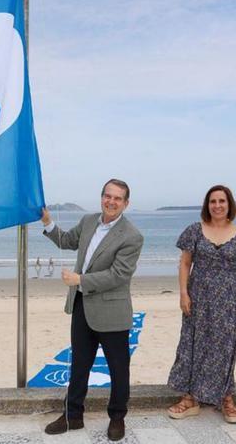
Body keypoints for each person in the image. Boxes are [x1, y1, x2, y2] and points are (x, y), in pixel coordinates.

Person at [40, 179, 144, 442]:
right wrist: (47, 222)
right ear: (101, 198)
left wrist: (80, 281)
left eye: (117, 198)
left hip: (112, 313)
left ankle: (117, 417)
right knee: (79, 365)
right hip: (82, 307)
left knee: (118, 369)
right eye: (107, 196)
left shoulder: (132, 236)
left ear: (126, 203)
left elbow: (118, 275)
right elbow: (66, 241)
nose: (111, 201)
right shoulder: (88, 221)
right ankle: (72, 415)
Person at [166, 185, 236, 424]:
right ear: (207, 205)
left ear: (229, 204)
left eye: (222, 201)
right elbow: (184, 264)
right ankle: (190, 399)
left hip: (230, 300)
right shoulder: (194, 231)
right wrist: (183, 293)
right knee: (192, 345)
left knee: (226, 348)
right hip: (198, 297)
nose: (217, 205)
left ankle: (226, 398)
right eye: (213, 201)